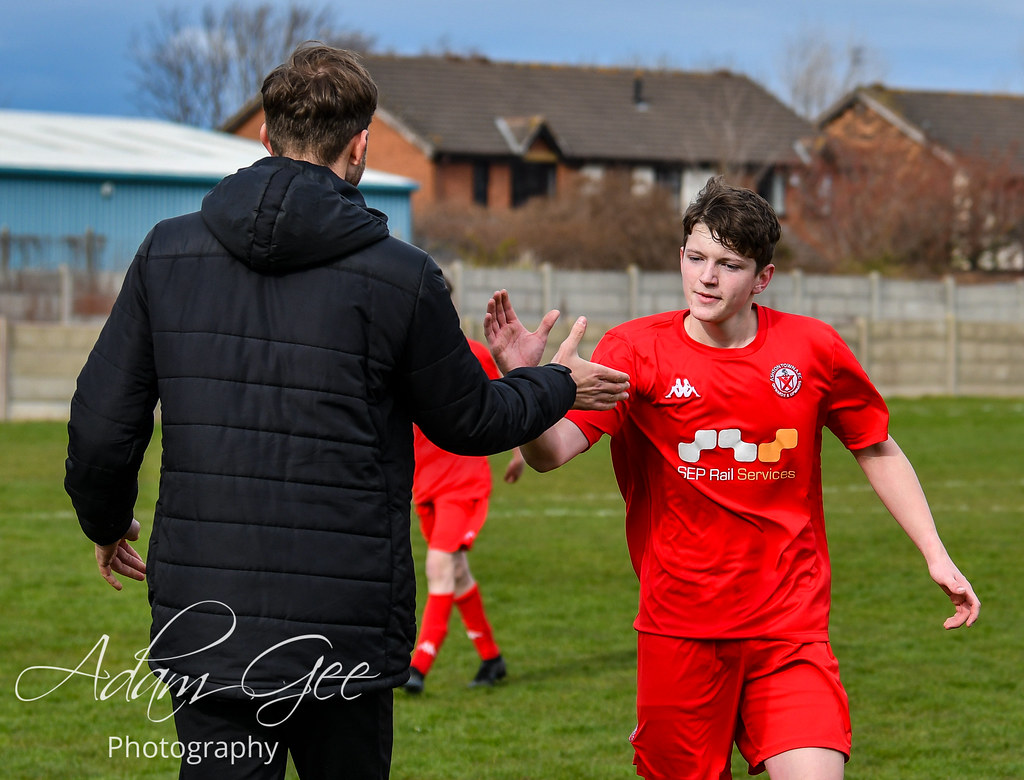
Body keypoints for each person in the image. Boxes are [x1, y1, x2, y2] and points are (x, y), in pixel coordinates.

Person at [63, 44, 629, 780]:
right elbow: (472, 422)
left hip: (211, 625)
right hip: (345, 634)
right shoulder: (402, 275)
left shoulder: (165, 254)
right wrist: (552, 381)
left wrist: (106, 525)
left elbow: (101, 426)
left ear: (264, 136)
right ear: (360, 145)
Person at [484, 177, 981, 780]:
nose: (707, 277)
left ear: (762, 278)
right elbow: (548, 453)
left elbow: (875, 447)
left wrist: (935, 552)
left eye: (729, 264)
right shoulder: (634, 351)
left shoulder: (812, 350)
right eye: (696, 258)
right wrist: (524, 388)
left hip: (788, 627)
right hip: (679, 630)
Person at [403, 333, 522, 694]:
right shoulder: (402, 350)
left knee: (439, 567)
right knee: (457, 572)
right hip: (423, 482)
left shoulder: (473, 353)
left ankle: (417, 668)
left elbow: (508, 399)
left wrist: (519, 452)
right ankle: (491, 659)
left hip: (462, 479)